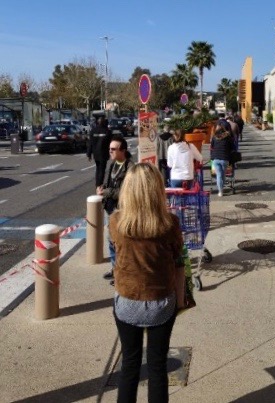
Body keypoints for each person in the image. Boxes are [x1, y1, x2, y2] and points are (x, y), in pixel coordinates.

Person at [109, 163, 185, 403]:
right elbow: (178, 260)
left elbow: (115, 254)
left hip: (127, 301)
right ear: (157, 190)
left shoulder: (116, 222)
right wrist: (181, 297)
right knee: (157, 366)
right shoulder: (169, 223)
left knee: (129, 366)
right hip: (161, 302)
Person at [97, 135, 134, 283]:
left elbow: (127, 192)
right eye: (109, 149)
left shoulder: (130, 167)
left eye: (113, 149)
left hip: (122, 210)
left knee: (122, 242)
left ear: (122, 150)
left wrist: (106, 192)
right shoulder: (112, 164)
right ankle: (115, 269)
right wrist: (102, 188)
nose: (110, 151)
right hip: (110, 208)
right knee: (111, 240)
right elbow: (109, 183)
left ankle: (123, 273)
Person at [210, 123, 235, 197]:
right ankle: (221, 189)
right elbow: (232, 147)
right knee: (222, 174)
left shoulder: (214, 137)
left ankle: (220, 191)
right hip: (225, 158)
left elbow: (212, 147)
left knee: (219, 175)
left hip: (215, 158)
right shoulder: (228, 137)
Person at [87, 116, 112, 187]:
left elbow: (90, 143)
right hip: (104, 153)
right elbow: (110, 143)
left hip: (96, 153)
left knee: (98, 168)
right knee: (102, 169)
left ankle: (97, 182)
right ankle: (99, 184)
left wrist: (89, 154)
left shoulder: (93, 131)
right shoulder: (107, 131)